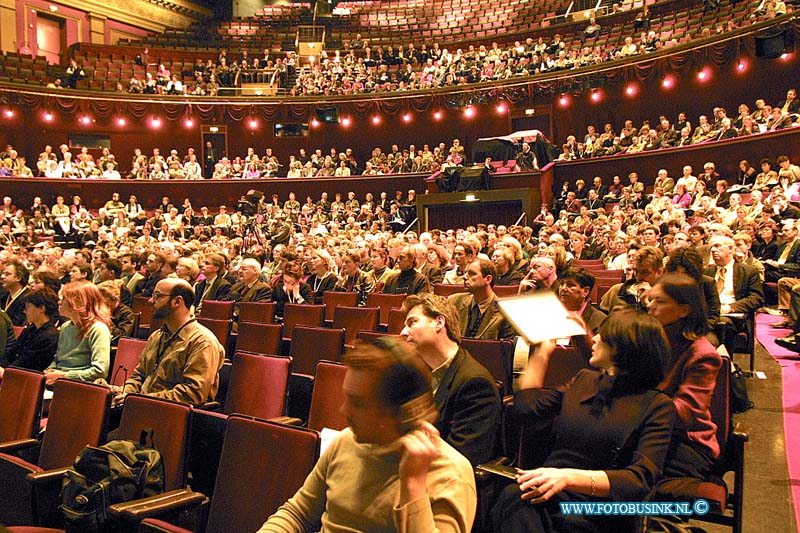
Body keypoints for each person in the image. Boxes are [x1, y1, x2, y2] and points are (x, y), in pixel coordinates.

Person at [257, 337, 477, 532]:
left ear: (402, 414)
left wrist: (413, 485)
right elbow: (298, 515)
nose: (344, 411)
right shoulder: (345, 441)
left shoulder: (450, 475)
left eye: (358, 403)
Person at [491, 309, 676, 533]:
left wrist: (568, 477)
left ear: (621, 347)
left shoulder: (657, 405)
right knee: (514, 498)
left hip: (602, 506)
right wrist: (542, 353)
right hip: (551, 490)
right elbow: (526, 410)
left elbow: (640, 480)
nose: (594, 338)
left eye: (602, 335)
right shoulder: (585, 379)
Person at [401, 293, 501, 465]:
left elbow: (461, 459)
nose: (403, 332)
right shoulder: (415, 373)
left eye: (412, 322)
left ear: (439, 322)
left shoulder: (475, 384)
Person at [646, 274, 722, 495]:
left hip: (686, 442)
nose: (650, 306)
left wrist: (636, 404)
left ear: (684, 310)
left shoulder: (702, 354)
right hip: (650, 432)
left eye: (659, 301)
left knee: (631, 480)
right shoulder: (653, 341)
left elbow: (685, 413)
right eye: (650, 299)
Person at [114, 278, 224, 406]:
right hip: (141, 407)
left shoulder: (203, 342)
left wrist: (139, 398)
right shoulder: (156, 336)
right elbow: (139, 375)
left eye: (158, 296)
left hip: (172, 417)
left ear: (177, 301)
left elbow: (193, 393)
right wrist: (124, 391)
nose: (150, 300)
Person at [45, 282, 112, 385]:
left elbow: (100, 371)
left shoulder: (98, 329)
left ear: (77, 303)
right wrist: (50, 370)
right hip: (60, 382)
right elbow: (58, 359)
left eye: (64, 299)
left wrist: (64, 376)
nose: (59, 302)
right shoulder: (65, 327)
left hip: (81, 386)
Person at [447, 258, 516, 340]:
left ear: (488, 279)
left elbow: (505, 349)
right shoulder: (454, 301)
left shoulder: (505, 313)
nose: (464, 277)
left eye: (472, 273)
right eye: (465, 273)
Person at [0, 287, 59, 377]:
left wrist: (5, 371)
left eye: (28, 307)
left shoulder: (48, 336)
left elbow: (27, 364)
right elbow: (11, 352)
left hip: (25, 378)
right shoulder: (31, 329)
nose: (24, 311)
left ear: (41, 308)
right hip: (13, 372)